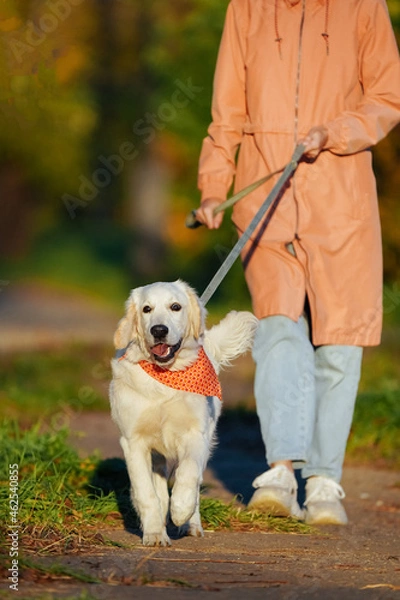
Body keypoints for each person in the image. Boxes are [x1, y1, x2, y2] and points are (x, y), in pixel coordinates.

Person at [195, 0, 400, 524]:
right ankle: (281, 471)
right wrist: (215, 187)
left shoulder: (364, 7)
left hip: (341, 196)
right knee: (279, 330)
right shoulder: (247, 9)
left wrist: (335, 133)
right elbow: (227, 112)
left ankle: (325, 480)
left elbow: (387, 97)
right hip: (265, 201)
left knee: (340, 340)